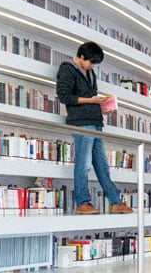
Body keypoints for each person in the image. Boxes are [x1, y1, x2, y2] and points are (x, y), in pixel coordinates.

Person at [56, 42, 133, 216]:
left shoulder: (90, 73)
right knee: (83, 164)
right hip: (81, 122)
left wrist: (103, 105)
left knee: (102, 166)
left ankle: (116, 202)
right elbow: (64, 96)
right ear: (81, 56)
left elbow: (91, 96)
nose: (92, 65)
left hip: (95, 122)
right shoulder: (67, 69)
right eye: (91, 62)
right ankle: (82, 202)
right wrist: (91, 100)